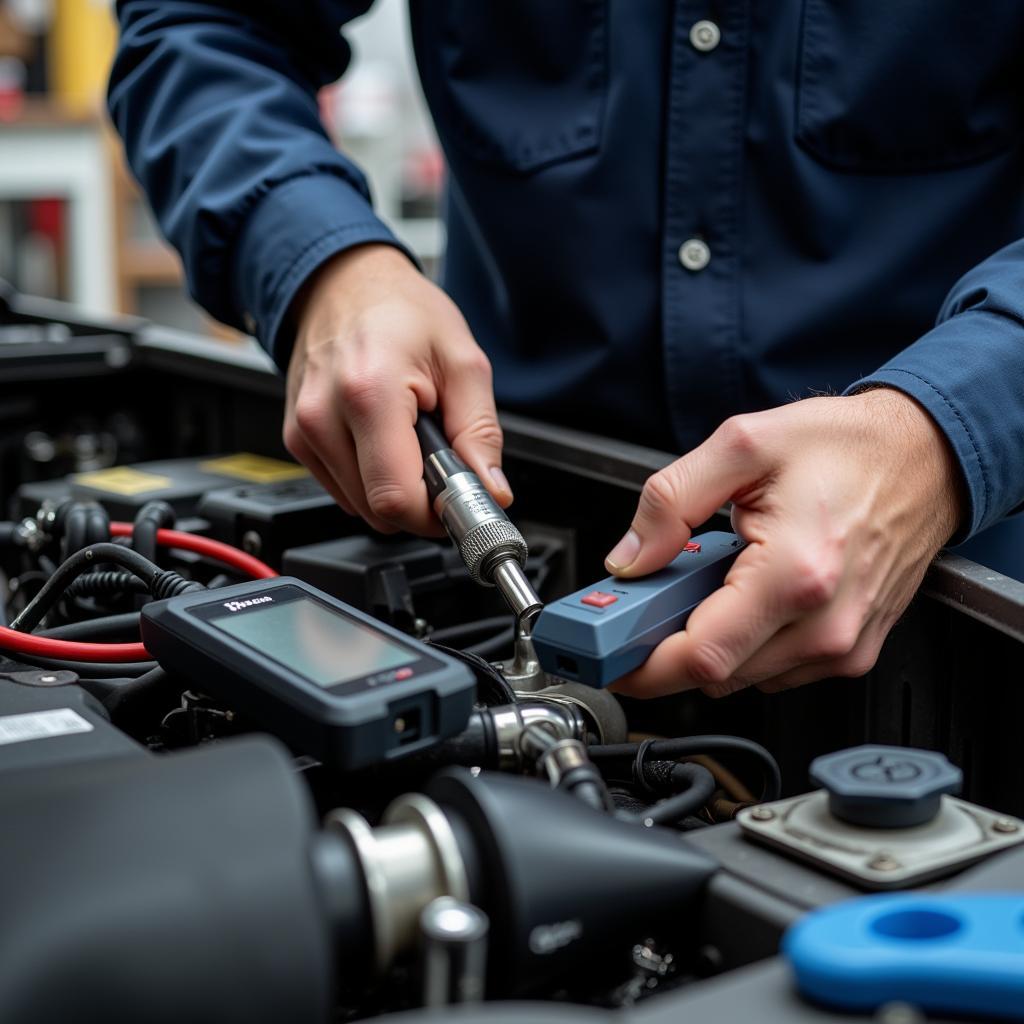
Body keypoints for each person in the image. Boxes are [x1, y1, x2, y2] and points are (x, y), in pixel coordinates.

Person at [108, 3, 1024, 700]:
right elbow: (205, 20)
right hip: (499, 529)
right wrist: (324, 265)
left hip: (966, 584)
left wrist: (944, 432)